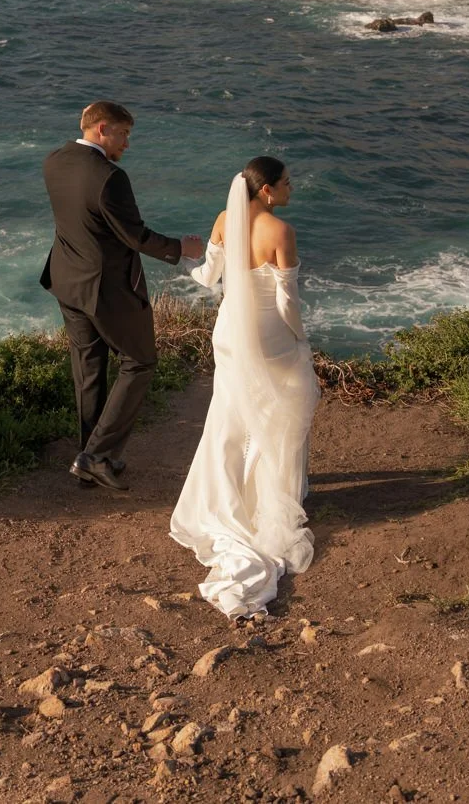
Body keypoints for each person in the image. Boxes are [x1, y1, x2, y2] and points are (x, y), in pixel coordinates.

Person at [170, 156, 320, 619]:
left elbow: (208, 276)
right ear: (267, 191)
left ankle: (227, 498)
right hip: (271, 336)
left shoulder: (223, 219)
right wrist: (301, 338)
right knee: (283, 411)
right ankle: (274, 499)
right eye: (287, 183)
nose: (292, 188)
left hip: (230, 333)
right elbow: (287, 301)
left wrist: (192, 262)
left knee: (231, 415)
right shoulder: (281, 231)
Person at [41, 100, 203, 491]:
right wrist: (182, 248)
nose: (127, 143)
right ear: (100, 129)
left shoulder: (54, 161)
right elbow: (136, 236)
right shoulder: (109, 178)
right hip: (106, 289)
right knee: (140, 362)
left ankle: (90, 463)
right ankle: (95, 456)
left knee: (89, 372)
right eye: (123, 133)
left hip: (67, 281)